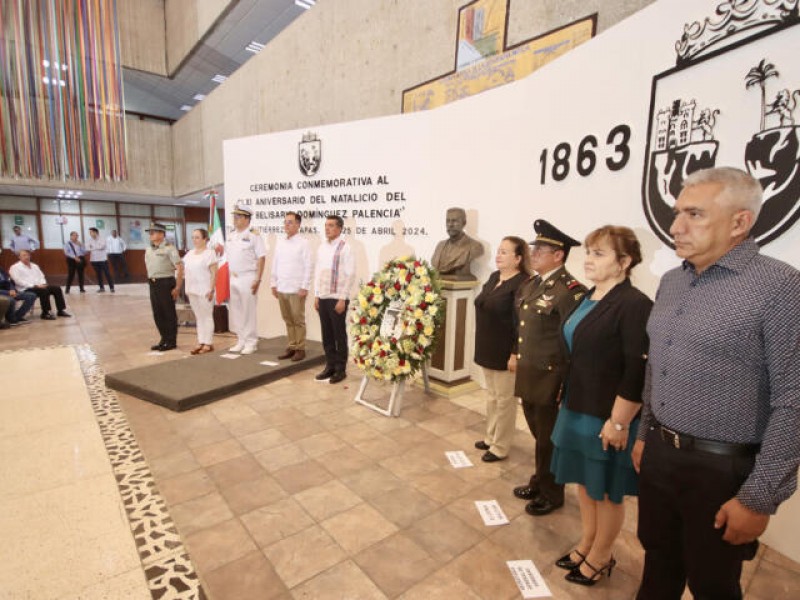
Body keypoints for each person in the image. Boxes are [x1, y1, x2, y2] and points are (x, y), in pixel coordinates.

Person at [632, 167, 800, 599]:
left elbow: (793, 400)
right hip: (659, 457)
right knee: (657, 566)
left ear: (740, 222)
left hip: (721, 472)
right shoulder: (671, 282)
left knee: (713, 585)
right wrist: (645, 432)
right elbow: (658, 365)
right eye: (676, 214)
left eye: (694, 214)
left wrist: (759, 498)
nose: (675, 227)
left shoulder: (780, 286)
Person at [549, 225, 652, 587]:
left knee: (606, 489)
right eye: (588, 252)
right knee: (585, 484)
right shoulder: (588, 296)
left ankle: (602, 555)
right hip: (578, 405)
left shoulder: (635, 304)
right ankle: (586, 544)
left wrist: (619, 422)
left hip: (609, 415)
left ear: (624, 262)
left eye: (599, 253)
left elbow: (637, 367)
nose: (588, 260)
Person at [511, 219, 586, 516]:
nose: (534, 252)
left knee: (549, 438)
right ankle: (540, 479)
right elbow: (525, 328)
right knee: (538, 435)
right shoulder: (533, 284)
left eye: (541, 249)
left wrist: (565, 383)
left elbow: (573, 341)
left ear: (559, 255)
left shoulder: (570, 291)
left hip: (550, 376)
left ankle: (552, 493)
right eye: (534, 247)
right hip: (530, 372)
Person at [473, 236, 530, 462]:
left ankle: (500, 446)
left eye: (504, 252)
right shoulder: (495, 276)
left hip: (506, 351)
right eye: (498, 250)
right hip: (487, 346)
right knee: (492, 397)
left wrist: (515, 354)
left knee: (505, 401)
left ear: (518, 259)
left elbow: (521, 323)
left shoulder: (523, 283)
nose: (498, 255)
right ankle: (490, 437)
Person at [314, 215, 355, 384]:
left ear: (339, 228)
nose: (327, 228)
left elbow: (350, 274)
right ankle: (329, 365)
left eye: (331, 225)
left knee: (339, 335)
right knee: (327, 334)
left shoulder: (346, 248)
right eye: (326, 225)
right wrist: (316, 295)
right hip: (323, 297)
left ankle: (340, 369)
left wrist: (342, 298)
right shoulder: (322, 247)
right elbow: (317, 271)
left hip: (337, 298)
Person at [270, 211, 313, 361]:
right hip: (282, 287)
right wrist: (273, 283)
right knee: (288, 319)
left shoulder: (303, 243)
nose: (286, 225)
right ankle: (292, 346)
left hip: (296, 288)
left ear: (298, 225)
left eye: (290, 222)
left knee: (298, 320)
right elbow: (275, 263)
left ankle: (300, 349)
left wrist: (305, 286)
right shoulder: (281, 242)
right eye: (285, 222)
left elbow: (308, 266)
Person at [225, 205, 267, 354]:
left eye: (238, 217)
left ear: (246, 218)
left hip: (248, 277)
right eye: (234, 217)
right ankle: (241, 340)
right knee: (236, 311)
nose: (235, 219)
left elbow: (261, 258)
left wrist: (258, 279)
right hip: (233, 277)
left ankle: (251, 342)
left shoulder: (254, 235)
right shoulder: (231, 235)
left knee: (248, 311)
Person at [145, 222, 183, 351]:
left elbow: (179, 267)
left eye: (154, 232)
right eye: (150, 232)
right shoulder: (149, 249)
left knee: (168, 313)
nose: (151, 234)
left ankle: (171, 341)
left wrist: (177, 287)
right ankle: (163, 339)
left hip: (166, 283)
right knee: (157, 313)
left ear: (162, 234)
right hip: (153, 283)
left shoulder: (169, 248)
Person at [183, 228, 217, 355]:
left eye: (197, 237)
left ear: (205, 239)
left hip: (205, 290)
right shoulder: (190, 253)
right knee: (199, 317)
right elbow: (184, 269)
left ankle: (208, 343)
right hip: (192, 289)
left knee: (207, 316)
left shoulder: (209, 253)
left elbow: (214, 273)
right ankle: (201, 341)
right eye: (193, 237)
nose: (194, 240)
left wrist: (211, 289)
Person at [9, 250, 71, 320]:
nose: (26, 257)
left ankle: (60, 310)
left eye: (28, 255)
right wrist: (35, 286)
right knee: (43, 291)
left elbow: (41, 276)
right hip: (25, 288)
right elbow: (17, 281)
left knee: (56, 288)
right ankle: (45, 313)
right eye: (24, 255)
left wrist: (43, 284)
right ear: (19, 257)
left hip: (39, 286)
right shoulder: (15, 267)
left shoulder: (34, 266)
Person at [431, 207, 484, 280]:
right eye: (447, 221)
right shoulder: (440, 246)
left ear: (464, 223)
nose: (450, 225)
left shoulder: (475, 246)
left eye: (454, 221)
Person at [0, 258, 35, 325]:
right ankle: (11, 319)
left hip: (9, 291)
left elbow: (9, 281)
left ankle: (17, 316)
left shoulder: (1, 269)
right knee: (11, 300)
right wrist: (7, 293)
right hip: (2, 293)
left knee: (31, 296)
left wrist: (12, 289)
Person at [86, 227, 115, 292]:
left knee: (107, 273)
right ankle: (102, 288)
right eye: (89, 232)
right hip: (93, 260)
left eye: (91, 232)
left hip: (102, 259)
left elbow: (102, 247)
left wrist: (92, 247)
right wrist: (94, 247)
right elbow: (87, 248)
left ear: (95, 232)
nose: (90, 233)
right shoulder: (89, 240)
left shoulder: (102, 238)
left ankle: (111, 287)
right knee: (98, 274)